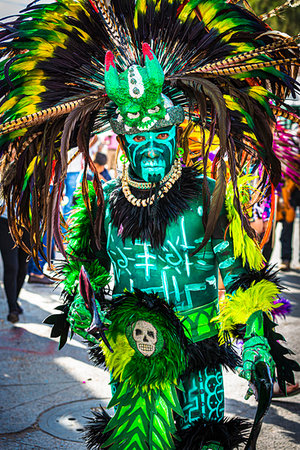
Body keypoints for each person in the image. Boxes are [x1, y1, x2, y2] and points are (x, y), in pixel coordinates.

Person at [0, 1, 299, 448]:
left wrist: (257, 338)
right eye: (141, 137)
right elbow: (90, 269)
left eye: (161, 135)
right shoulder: (103, 201)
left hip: (197, 352)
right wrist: (84, 306)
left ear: (176, 134)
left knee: (202, 442)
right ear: (123, 140)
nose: (153, 146)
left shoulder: (206, 196)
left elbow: (241, 277)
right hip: (135, 357)